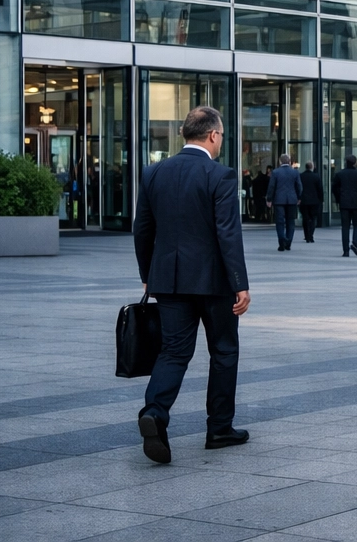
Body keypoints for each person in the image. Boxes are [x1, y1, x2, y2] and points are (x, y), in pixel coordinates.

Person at [131, 106, 250, 464]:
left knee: (173, 352)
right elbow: (228, 234)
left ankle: (155, 412)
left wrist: (148, 274)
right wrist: (240, 283)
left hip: (168, 280)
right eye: (222, 135)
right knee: (224, 351)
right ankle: (219, 429)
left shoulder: (154, 173)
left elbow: (142, 230)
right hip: (214, 283)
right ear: (213, 135)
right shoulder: (221, 175)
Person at [333, 154, 357, 256]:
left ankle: (346, 251)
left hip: (344, 204)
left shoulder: (339, 174)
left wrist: (339, 199)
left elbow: (334, 188)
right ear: (355, 163)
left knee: (345, 227)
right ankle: (355, 244)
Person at [267, 153, 301, 251]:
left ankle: (281, 240)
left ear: (280, 161)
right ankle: (288, 242)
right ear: (289, 161)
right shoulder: (295, 172)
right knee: (291, 221)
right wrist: (299, 197)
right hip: (292, 200)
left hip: (279, 200)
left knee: (280, 221)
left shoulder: (276, 172)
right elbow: (299, 186)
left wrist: (269, 199)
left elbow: (271, 187)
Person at [298, 161, 323, 243]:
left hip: (303, 200)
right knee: (313, 218)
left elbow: (298, 187)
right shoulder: (316, 177)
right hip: (314, 201)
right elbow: (320, 189)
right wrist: (321, 199)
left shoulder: (301, 176)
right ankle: (311, 235)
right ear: (312, 167)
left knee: (305, 218)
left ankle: (306, 235)